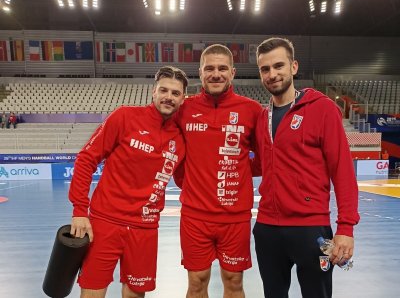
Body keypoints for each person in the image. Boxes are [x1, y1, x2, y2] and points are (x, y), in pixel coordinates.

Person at [253, 37, 360, 298]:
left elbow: (343, 172)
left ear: (294, 66)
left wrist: (345, 228)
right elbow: (259, 164)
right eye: (265, 69)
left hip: (312, 229)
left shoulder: (323, 109)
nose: (272, 74)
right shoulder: (260, 117)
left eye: (279, 65)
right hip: (267, 229)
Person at [68, 66, 187, 298]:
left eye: (175, 93)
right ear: (153, 92)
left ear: (183, 98)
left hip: (145, 229)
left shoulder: (181, 138)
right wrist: (80, 210)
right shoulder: (124, 116)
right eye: (163, 90)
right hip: (105, 223)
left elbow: (185, 180)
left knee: (135, 294)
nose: (168, 97)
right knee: (92, 291)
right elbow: (86, 159)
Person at [174, 44, 262, 298]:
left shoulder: (252, 110)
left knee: (234, 282)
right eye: (209, 68)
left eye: (222, 68)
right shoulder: (184, 109)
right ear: (200, 73)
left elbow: (266, 158)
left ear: (232, 73)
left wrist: (241, 167)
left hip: (235, 217)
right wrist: (187, 180)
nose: (216, 74)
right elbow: (172, 152)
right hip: (194, 217)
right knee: (196, 283)